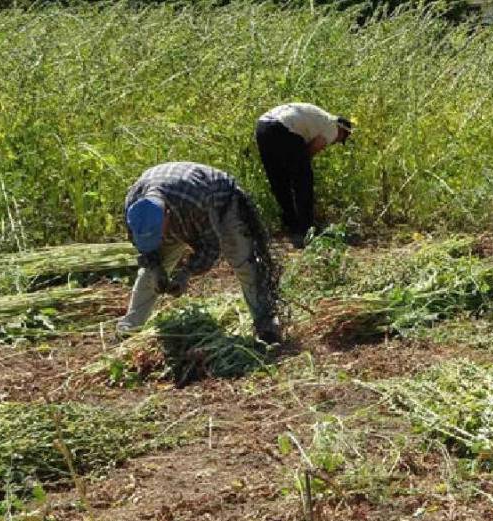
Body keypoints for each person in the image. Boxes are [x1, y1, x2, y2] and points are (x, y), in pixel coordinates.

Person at [118, 162, 283, 344]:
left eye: (159, 234)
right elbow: (143, 246)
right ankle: (129, 328)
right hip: (181, 209)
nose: (160, 239)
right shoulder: (134, 207)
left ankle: (266, 324)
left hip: (222, 201)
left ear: (167, 214)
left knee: (243, 261)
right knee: (149, 275)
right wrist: (156, 268)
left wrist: (185, 274)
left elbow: (210, 247)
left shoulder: (194, 204)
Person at [255, 103, 353, 248]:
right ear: (342, 130)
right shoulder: (332, 127)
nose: (336, 142)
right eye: (341, 139)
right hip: (284, 129)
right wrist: (299, 164)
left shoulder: (319, 117)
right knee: (303, 181)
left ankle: (291, 225)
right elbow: (312, 149)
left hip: (262, 126)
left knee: (279, 180)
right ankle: (306, 229)